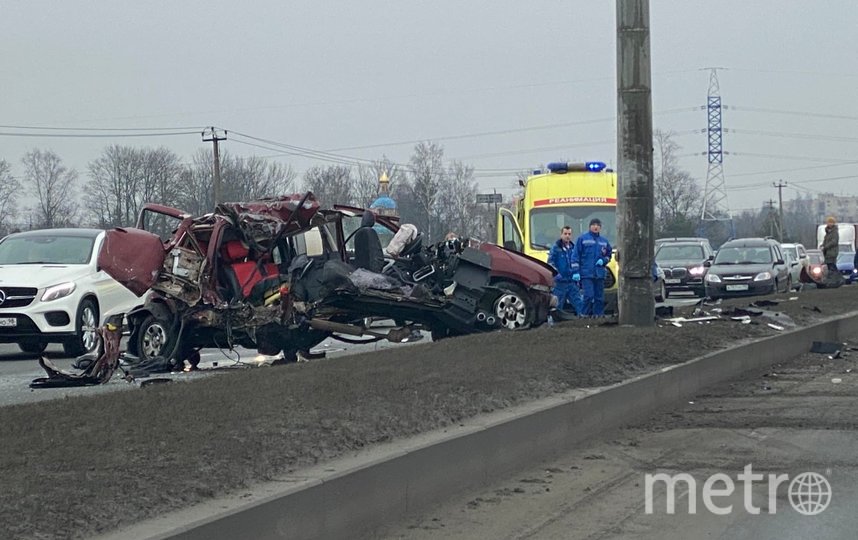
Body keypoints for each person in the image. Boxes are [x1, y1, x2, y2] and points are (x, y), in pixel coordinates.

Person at [570, 218, 613, 317]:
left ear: (600, 228)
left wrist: (604, 260)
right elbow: (575, 256)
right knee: (588, 296)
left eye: (598, 225)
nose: (596, 227)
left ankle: (598, 316)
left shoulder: (604, 241)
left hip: (599, 274)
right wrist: (575, 272)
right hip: (586, 273)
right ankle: (584, 315)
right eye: (594, 225)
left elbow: (609, 254)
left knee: (599, 298)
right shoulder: (583, 239)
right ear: (590, 227)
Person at [547, 226, 583, 317]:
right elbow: (550, 262)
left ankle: (584, 321)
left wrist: (577, 273)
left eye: (569, 234)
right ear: (561, 234)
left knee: (579, 303)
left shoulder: (573, 248)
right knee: (557, 306)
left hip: (571, 282)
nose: (567, 236)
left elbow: (577, 261)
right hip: (560, 283)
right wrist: (556, 274)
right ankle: (555, 324)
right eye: (565, 234)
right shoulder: (555, 248)